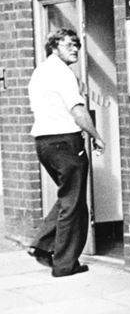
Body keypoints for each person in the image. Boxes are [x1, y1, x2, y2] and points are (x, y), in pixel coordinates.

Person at [27, 28, 105, 277]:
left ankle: (42, 244)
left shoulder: (40, 72)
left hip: (44, 144)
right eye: (69, 44)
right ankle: (64, 264)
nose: (75, 49)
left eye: (77, 46)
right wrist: (97, 136)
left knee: (68, 197)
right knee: (74, 205)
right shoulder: (63, 74)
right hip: (66, 143)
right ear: (54, 46)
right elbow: (78, 111)